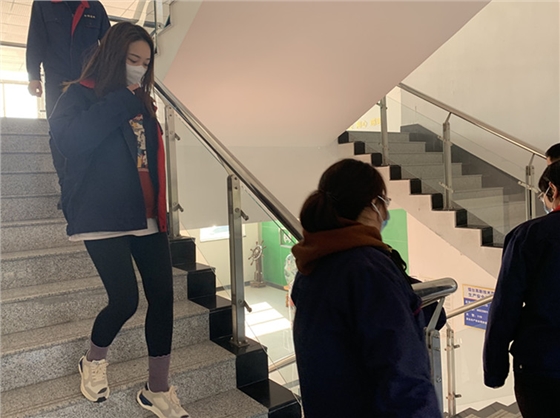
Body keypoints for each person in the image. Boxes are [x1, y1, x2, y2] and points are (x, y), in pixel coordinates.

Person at [48, 22, 189, 418]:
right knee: (125, 299)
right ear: (112, 56)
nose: (139, 69)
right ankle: (93, 359)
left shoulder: (141, 100)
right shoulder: (78, 95)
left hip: (147, 213)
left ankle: (157, 389)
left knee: (163, 297)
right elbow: (71, 143)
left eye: (145, 62)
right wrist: (122, 101)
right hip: (101, 215)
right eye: (132, 60)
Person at [290, 158, 441, 418]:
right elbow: (401, 372)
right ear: (373, 205)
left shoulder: (311, 265)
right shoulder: (369, 270)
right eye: (384, 203)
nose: (386, 214)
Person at [483, 161, 560, 418]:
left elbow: (506, 307)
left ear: (552, 189)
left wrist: (495, 369)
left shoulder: (528, 236)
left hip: (543, 366)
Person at [26, 0, 110, 191]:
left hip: (88, 81)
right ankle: (67, 185)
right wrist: (33, 76)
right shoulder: (43, 5)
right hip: (57, 82)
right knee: (59, 131)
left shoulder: (95, 7)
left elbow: (109, 45)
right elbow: (36, 40)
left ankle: (88, 182)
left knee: (90, 129)